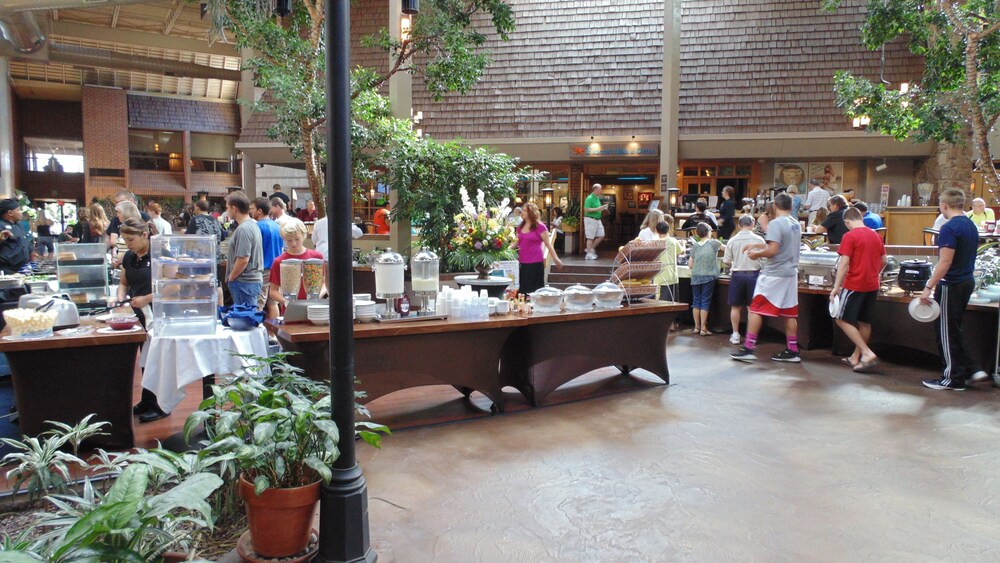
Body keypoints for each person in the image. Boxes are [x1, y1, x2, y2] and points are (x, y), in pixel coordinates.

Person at [920, 188, 989, 390]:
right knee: (953, 328)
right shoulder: (970, 225)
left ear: (944, 206)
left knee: (946, 331)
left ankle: (952, 378)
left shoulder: (949, 228)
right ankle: (969, 369)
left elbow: (945, 262)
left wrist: (928, 286)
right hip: (966, 281)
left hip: (951, 283)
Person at [731, 192, 802, 363]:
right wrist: (757, 244)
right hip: (790, 273)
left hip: (774, 273)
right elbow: (778, 245)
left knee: (755, 309)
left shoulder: (777, 223)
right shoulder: (795, 224)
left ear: (775, 206)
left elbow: (772, 250)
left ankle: (748, 347)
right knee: (789, 312)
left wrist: (756, 254)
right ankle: (792, 350)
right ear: (791, 206)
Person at [112, 219, 167, 422]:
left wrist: (146, 298)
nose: (128, 244)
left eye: (131, 239)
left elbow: (172, 286)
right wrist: (120, 298)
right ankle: (147, 400)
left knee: (158, 359)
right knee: (145, 359)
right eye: (125, 240)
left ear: (145, 235)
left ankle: (162, 404)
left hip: (159, 313)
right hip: (138, 315)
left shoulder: (161, 254)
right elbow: (123, 283)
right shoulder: (129, 257)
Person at [830, 207, 887, 373]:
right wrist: (875, 273)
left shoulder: (850, 236)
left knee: (841, 319)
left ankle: (867, 353)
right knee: (864, 321)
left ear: (847, 221)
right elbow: (884, 260)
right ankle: (855, 357)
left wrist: (836, 287)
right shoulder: (876, 235)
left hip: (855, 283)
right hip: (872, 284)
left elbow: (843, 264)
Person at [724, 214, 765, 345]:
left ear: (739, 225)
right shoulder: (759, 239)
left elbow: (726, 261)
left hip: (737, 275)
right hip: (754, 275)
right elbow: (765, 260)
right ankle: (750, 336)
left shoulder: (732, 240)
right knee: (752, 308)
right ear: (753, 224)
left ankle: (735, 334)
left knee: (735, 307)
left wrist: (735, 263)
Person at [269, 218, 326, 311]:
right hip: (290, 310)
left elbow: (324, 282)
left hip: (313, 308)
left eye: (297, 239)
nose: (294, 244)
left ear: (303, 235)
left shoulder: (316, 257)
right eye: (289, 240)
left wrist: (317, 297)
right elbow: (273, 291)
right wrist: (285, 301)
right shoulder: (279, 261)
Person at [225, 191, 264, 308]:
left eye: (227, 208)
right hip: (248, 282)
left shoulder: (244, 229)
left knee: (246, 319)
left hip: (244, 282)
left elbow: (243, 259)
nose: (226, 211)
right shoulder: (252, 225)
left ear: (234, 208)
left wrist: (231, 277)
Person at [514, 202, 562, 294]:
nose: (522, 213)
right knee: (523, 290)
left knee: (535, 290)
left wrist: (556, 259)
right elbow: (517, 242)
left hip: (535, 262)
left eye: (525, 211)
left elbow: (548, 245)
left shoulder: (540, 227)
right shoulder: (520, 227)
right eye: (522, 210)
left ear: (531, 212)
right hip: (522, 263)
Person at [251, 197, 284, 317]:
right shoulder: (278, 226)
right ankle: (273, 334)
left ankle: (256, 330)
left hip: (263, 268)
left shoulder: (257, 227)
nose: (251, 211)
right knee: (273, 302)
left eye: (252, 208)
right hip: (276, 268)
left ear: (259, 210)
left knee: (259, 302)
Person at [688, 222, 722, 335]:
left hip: (696, 276)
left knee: (696, 301)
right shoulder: (714, 243)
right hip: (709, 276)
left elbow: (690, 265)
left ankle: (696, 327)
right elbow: (728, 249)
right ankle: (703, 328)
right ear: (708, 232)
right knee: (705, 301)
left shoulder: (695, 246)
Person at [652, 217, 683, 302]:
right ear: (668, 229)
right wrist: (683, 244)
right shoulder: (673, 241)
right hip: (673, 276)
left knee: (661, 302)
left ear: (656, 230)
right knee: (673, 302)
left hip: (660, 277)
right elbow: (681, 252)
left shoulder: (655, 243)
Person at [0, 199, 32, 274]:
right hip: (6, 269)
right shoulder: (1, 225)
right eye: (18, 210)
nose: (21, 212)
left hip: (23, 268)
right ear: (10, 212)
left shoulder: (19, 225)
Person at [583, 183, 608, 260]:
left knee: (601, 234)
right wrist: (599, 209)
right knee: (590, 237)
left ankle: (590, 249)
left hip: (597, 219)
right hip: (590, 219)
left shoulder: (597, 198)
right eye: (600, 189)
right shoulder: (589, 198)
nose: (601, 190)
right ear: (595, 189)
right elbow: (586, 209)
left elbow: (597, 208)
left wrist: (603, 209)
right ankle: (588, 254)